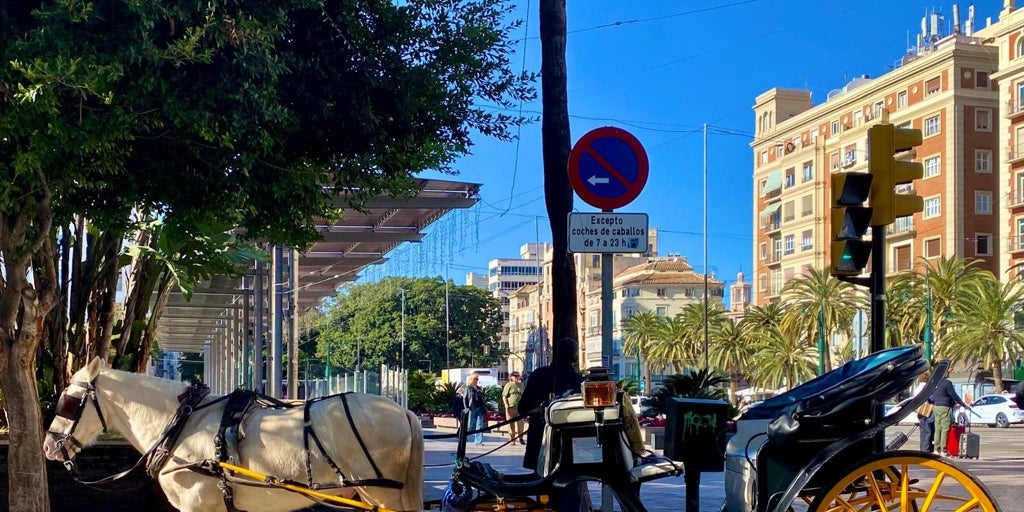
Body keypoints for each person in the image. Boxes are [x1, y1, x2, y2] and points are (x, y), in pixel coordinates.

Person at [517, 338, 584, 471]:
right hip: (569, 445)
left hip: (539, 440)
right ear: (575, 357)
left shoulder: (538, 375)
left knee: (541, 485)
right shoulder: (578, 381)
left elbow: (523, 408)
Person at [931, 365, 971, 457]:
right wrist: (963, 404)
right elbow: (954, 395)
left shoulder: (935, 383)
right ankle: (943, 450)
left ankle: (936, 449)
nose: (949, 373)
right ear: (945, 373)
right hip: (945, 407)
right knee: (945, 429)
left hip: (936, 407)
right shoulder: (947, 383)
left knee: (938, 428)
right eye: (948, 372)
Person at [911, 372, 935, 452]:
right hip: (926, 410)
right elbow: (931, 398)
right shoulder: (926, 387)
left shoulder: (917, 388)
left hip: (919, 411)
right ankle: (926, 449)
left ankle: (922, 448)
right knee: (927, 431)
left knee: (922, 431)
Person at [463, 374, 487, 446]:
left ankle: (478, 441)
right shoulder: (468, 388)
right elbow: (465, 399)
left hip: (480, 408)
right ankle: (463, 437)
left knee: (479, 425)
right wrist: (466, 408)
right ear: (471, 380)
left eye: (477, 379)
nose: (476, 380)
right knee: (470, 425)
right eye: (475, 379)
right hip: (472, 408)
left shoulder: (479, 388)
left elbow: (482, 398)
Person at [502, 371, 525, 445]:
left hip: (520, 407)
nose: (516, 377)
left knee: (520, 423)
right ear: (511, 377)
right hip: (511, 407)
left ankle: (520, 437)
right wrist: (506, 405)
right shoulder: (508, 385)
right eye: (514, 376)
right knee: (511, 423)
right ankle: (512, 438)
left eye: (517, 376)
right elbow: (504, 396)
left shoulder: (521, 385)